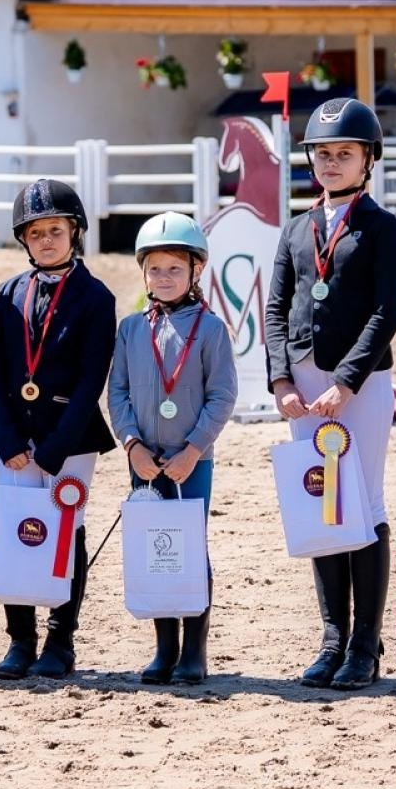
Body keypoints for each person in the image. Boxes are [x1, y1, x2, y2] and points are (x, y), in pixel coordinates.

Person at [266, 97, 396, 691]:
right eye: (322, 154)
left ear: (367, 159)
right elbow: (275, 306)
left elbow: (387, 311)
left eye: (343, 154)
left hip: (363, 381)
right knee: (318, 502)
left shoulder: (381, 227)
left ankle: (364, 645)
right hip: (302, 381)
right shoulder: (296, 227)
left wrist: (348, 380)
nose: (330, 162)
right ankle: (331, 638)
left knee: (364, 503)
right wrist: (280, 380)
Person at [0, 179, 117, 680]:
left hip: (72, 437)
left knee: (66, 529)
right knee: (17, 530)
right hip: (15, 439)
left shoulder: (95, 297)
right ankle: (20, 638)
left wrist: (57, 446)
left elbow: (91, 378)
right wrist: (8, 438)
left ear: (74, 232)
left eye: (55, 230)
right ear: (24, 239)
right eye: (35, 232)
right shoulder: (9, 292)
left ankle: (61, 638)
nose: (46, 240)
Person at [108, 212, 237, 685]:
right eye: (155, 269)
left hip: (190, 460)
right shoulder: (129, 329)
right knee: (153, 548)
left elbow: (222, 395)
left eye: (174, 269)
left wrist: (193, 449)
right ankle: (164, 648)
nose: (164, 278)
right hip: (144, 459)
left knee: (189, 547)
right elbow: (117, 393)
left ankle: (193, 650)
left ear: (195, 271)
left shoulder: (211, 330)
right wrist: (132, 445)